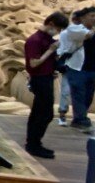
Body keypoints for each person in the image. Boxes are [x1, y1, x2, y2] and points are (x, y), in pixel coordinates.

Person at [24, 12, 69, 158]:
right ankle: (33, 144)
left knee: (40, 112)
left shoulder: (47, 38)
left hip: (47, 77)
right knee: (44, 114)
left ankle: (34, 143)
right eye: (59, 28)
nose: (59, 32)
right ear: (51, 24)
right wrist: (50, 51)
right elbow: (33, 63)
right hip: (39, 79)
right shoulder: (35, 40)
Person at [62, 6, 95, 133]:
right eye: (92, 16)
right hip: (77, 67)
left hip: (93, 68)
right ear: (83, 18)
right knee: (79, 94)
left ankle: (78, 120)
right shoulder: (74, 28)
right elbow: (86, 36)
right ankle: (83, 121)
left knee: (88, 96)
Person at [55, 9, 84, 126]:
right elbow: (61, 49)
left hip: (82, 65)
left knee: (78, 92)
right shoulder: (65, 33)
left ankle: (78, 117)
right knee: (66, 91)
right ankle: (62, 115)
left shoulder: (86, 32)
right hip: (69, 65)